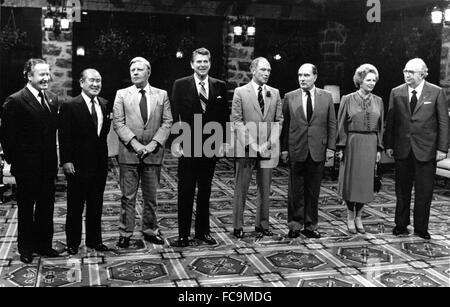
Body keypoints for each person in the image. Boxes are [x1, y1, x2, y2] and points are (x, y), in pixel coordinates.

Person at [0, 58, 60, 263]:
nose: (46, 78)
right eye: (41, 74)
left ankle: (44, 245)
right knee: (26, 209)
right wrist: (16, 164)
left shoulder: (52, 98)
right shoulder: (15, 100)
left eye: (48, 73)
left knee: (46, 208)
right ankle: (25, 248)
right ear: (29, 75)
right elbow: (8, 138)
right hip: (27, 168)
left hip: (48, 167)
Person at [171, 47, 229, 247]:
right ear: (192, 64)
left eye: (205, 61)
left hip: (210, 146)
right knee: (185, 191)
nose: (202, 65)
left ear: (210, 63)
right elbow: (174, 115)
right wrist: (175, 143)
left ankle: (202, 232)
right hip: (187, 145)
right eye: (199, 62)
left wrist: (223, 142)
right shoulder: (180, 85)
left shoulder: (220, 86)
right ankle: (183, 235)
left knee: (205, 191)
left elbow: (224, 118)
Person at [385, 58, 449, 240]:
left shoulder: (436, 92)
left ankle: (421, 228)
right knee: (401, 190)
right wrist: (389, 145)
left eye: (411, 72)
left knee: (424, 192)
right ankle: (401, 224)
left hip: (426, 150)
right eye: (405, 71)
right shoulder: (396, 92)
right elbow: (391, 122)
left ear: (423, 74)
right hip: (402, 149)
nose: (407, 75)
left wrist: (442, 148)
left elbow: (444, 122)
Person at [113, 57, 173, 248]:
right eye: (132, 70)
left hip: (153, 153)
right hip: (129, 153)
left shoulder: (161, 95)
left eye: (139, 70)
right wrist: (136, 145)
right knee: (127, 197)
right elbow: (118, 123)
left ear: (148, 72)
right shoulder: (121, 94)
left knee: (151, 197)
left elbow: (167, 122)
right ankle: (125, 233)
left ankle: (150, 230)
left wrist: (153, 144)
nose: (135, 73)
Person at [281, 63, 336, 239]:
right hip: (296, 149)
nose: (302, 79)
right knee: (295, 191)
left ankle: (311, 226)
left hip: (317, 150)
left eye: (306, 75)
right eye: (299, 75)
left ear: (315, 77)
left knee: (313, 191)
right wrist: (283, 149)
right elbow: (285, 126)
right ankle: (295, 225)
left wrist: (331, 148)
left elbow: (331, 124)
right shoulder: (289, 97)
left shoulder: (327, 97)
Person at [58, 69, 111, 255]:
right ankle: (72, 243)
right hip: (77, 166)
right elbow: (64, 136)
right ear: (81, 83)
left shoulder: (105, 104)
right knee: (75, 206)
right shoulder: (70, 105)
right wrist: (66, 160)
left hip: (99, 165)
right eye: (92, 81)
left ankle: (94, 240)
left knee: (96, 205)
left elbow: (102, 136)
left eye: (99, 80)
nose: (96, 84)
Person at [231, 57, 283, 239]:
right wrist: (252, 144)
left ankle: (262, 224)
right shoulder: (240, 92)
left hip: (267, 148)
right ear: (253, 70)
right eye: (263, 70)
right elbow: (236, 121)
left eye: (268, 70)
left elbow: (279, 121)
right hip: (246, 147)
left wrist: (268, 144)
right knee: (241, 188)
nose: (266, 73)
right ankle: (238, 225)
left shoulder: (275, 93)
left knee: (265, 188)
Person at [336, 64, 384, 234]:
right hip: (352, 143)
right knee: (351, 182)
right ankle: (350, 216)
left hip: (370, 145)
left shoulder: (378, 101)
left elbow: (380, 127)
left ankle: (359, 217)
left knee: (365, 182)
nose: (371, 83)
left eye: (374, 80)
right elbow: (341, 125)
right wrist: (340, 147)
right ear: (360, 81)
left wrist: (379, 149)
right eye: (368, 80)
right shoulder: (347, 99)